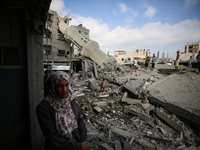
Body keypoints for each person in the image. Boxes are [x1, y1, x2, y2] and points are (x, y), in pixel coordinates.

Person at [37, 71, 90, 150]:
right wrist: (78, 147)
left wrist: (82, 141)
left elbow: (79, 119)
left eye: (66, 85)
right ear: (53, 86)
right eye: (60, 86)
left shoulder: (70, 99)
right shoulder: (44, 107)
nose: (64, 90)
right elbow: (53, 137)